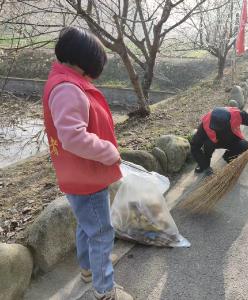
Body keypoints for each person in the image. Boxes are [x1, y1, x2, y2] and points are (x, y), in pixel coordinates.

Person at [42, 27, 133, 300]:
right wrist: (109, 152)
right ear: (84, 60)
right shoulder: (69, 89)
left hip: (76, 174)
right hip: (87, 175)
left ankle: (88, 270)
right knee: (102, 232)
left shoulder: (63, 79)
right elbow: (73, 137)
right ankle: (105, 290)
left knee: (87, 224)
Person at [191, 106, 248, 175]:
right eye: (216, 128)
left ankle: (228, 157)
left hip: (231, 138)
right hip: (215, 142)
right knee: (208, 144)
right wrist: (204, 165)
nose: (219, 130)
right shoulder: (205, 124)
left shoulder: (236, 114)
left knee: (244, 145)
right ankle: (205, 164)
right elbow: (194, 147)